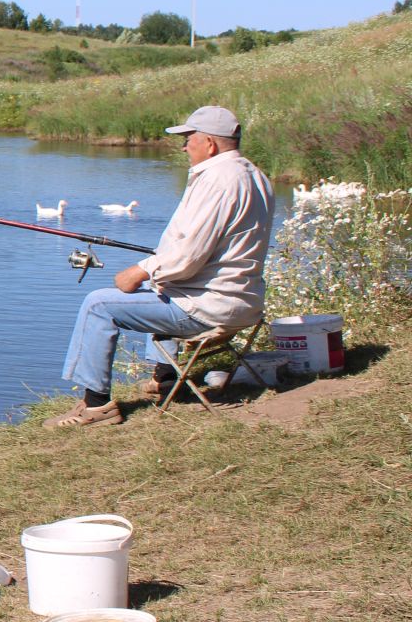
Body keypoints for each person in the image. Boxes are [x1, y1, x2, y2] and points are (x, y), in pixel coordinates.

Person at [48, 105, 274, 429]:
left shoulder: (219, 180)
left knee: (98, 304)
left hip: (210, 307)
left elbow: (187, 257)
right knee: (162, 286)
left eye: (188, 139)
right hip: (245, 302)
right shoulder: (254, 175)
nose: (184, 147)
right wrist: (157, 271)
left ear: (209, 143)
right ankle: (165, 378)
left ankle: (96, 406)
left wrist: (139, 271)